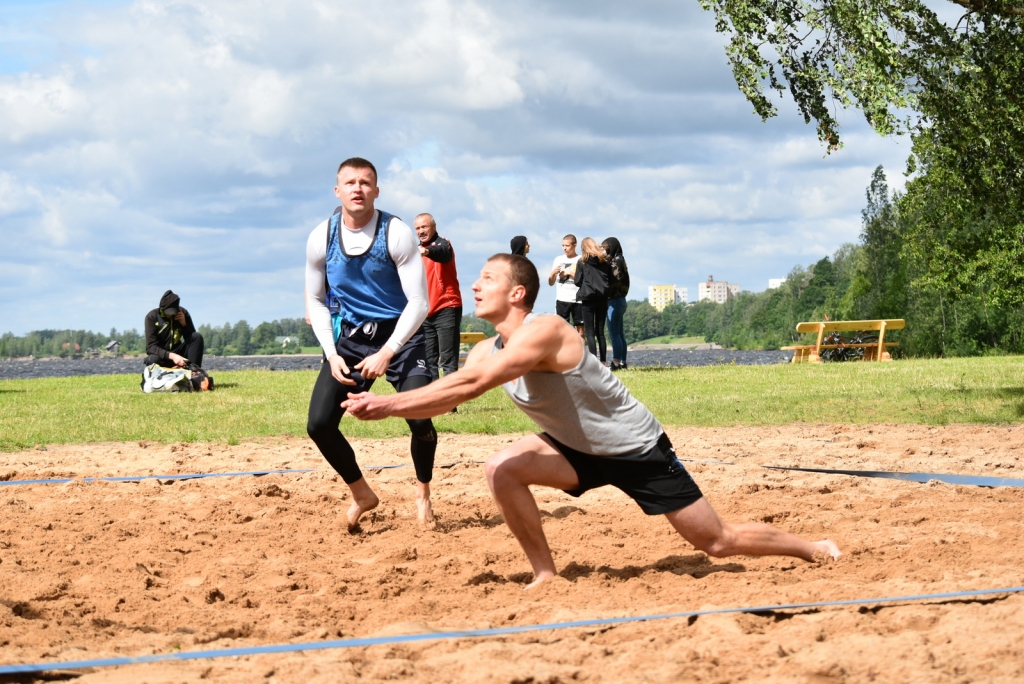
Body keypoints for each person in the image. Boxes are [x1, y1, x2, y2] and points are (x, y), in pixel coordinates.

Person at [341, 255, 841, 587]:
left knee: (716, 542)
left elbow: (472, 386)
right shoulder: (488, 350)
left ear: (518, 293)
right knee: (502, 468)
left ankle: (811, 548)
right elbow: (444, 397)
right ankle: (546, 576)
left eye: (488, 279)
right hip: (574, 449)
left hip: (635, 449)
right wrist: (386, 403)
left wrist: (383, 405)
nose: (474, 285)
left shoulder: (545, 330)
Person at [305, 157, 438, 530]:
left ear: (376, 191)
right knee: (319, 424)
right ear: (338, 191)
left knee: (420, 417)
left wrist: (389, 351)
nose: (357, 188)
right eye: (350, 182)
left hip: (403, 336)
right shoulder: (321, 237)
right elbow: (315, 301)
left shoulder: (395, 232)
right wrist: (331, 354)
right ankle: (362, 493)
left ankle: (423, 492)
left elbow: (419, 303)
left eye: (365, 182)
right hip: (352, 339)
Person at [414, 213, 463, 382]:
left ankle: (451, 403)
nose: (421, 231)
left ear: (433, 226)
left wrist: (426, 251)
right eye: (418, 228)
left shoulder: (443, 244)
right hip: (426, 311)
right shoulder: (415, 251)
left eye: (424, 227)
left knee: (448, 359)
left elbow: (443, 253)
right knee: (429, 361)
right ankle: (435, 401)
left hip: (446, 307)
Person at [572, 237, 611, 364]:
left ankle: (594, 363)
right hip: (602, 298)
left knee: (589, 332)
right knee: (600, 332)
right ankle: (604, 362)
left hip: (587, 299)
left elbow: (577, 282)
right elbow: (610, 279)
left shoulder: (582, 262)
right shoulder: (605, 261)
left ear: (584, 248)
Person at [144, 290, 204, 368]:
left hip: (179, 353)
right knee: (152, 359)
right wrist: (172, 356)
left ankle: (194, 371)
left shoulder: (183, 313)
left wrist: (184, 324)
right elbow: (151, 347)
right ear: (162, 308)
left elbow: (192, 340)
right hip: (162, 355)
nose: (171, 314)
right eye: (168, 312)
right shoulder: (152, 317)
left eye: (173, 312)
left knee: (197, 336)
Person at [602, 237, 630, 370]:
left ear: (611, 247)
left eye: (605, 247)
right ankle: (623, 362)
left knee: (614, 334)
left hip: (614, 300)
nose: (603, 250)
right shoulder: (621, 259)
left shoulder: (616, 261)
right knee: (619, 334)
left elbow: (615, 279)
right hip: (621, 300)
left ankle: (616, 362)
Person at [548, 234, 583, 336]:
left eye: (567, 246)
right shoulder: (558, 259)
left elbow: (583, 280)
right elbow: (550, 283)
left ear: (574, 245)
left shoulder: (580, 260)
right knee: (561, 331)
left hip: (578, 299)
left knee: (580, 332)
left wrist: (570, 273)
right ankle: (564, 351)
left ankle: (580, 351)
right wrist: (553, 274)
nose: (564, 248)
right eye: (563, 245)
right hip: (562, 299)